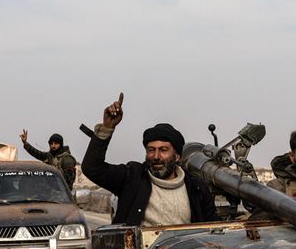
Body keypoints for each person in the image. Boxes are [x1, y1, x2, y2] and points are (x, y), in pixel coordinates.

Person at [81, 93, 218, 226]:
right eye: (151, 150)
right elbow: (92, 168)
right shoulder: (132, 177)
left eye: (163, 150)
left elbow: (214, 228)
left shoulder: (196, 187)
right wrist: (107, 128)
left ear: (177, 156)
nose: (156, 156)